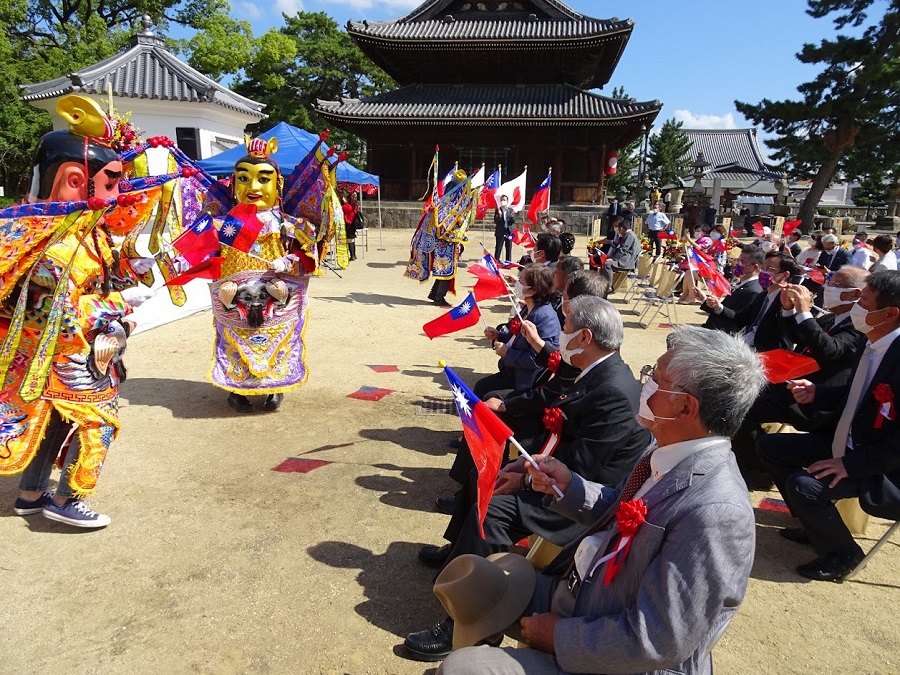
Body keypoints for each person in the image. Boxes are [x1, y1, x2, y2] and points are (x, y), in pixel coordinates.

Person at [432, 326, 767, 674]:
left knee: (459, 669)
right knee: (475, 584)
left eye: (656, 377)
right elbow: (619, 510)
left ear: (685, 407)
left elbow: (656, 641)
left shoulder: (716, 513)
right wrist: (567, 484)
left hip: (615, 655)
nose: (646, 383)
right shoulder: (667, 452)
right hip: (583, 594)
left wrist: (558, 635)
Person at [405, 297, 652, 661]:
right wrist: (523, 465)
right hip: (562, 472)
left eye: (565, 328)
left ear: (584, 338)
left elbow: (583, 466)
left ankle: (471, 623)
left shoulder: (614, 389)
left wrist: (523, 477)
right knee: (486, 478)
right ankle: (459, 561)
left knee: (493, 511)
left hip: (583, 498)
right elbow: (556, 415)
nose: (560, 335)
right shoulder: (590, 368)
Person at [1, 95, 155, 528]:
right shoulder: (53, 246)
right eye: (110, 184)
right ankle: (68, 497)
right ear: (73, 180)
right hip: (66, 357)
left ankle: (31, 493)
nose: (119, 196)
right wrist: (117, 303)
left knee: (53, 422)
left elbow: (106, 273)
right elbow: (58, 312)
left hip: (84, 352)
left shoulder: (83, 233)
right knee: (99, 424)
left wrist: (133, 268)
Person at [758, 270, 900, 581]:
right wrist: (817, 393)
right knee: (770, 447)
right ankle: (813, 524)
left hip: (879, 465)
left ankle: (843, 553)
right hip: (845, 440)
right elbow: (859, 394)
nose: (857, 307)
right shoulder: (873, 341)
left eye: (863, 301)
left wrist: (852, 465)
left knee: (804, 484)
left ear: (889, 313)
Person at [731, 266, 869, 488]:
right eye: (830, 281)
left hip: (818, 399)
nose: (828, 288)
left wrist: (805, 312)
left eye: (836, 285)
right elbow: (798, 337)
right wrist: (788, 310)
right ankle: (755, 465)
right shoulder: (830, 318)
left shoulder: (859, 325)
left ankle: (760, 469)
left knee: (745, 408)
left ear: (855, 294)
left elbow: (830, 350)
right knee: (739, 403)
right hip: (793, 386)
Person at [210, 136, 318, 413]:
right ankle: (236, 390)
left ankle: (275, 387)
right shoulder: (225, 223)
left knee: (278, 342)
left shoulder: (288, 224)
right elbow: (206, 255)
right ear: (234, 184)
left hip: (276, 297)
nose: (254, 187)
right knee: (236, 344)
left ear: (277, 184)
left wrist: (290, 260)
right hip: (235, 298)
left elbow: (309, 256)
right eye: (244, 179)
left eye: (263, 179)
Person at [473, 265, 560, 399]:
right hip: (512, 372)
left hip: (526, 380)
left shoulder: (545, 317)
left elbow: (539, 359)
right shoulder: (528, 308)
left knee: (487, 396)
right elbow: (515, 336)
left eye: (521, 281)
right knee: (480, 387)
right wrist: (498, 335)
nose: (517, 283)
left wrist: (508, 353)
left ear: (533, 289)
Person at [699, 250, 798, 353]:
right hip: (743, 344)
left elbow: (788, 336)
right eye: (763, 267)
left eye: (769, 269)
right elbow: (740, 319)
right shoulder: (763, 295)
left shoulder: (789, 301)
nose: (763, 272)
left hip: (763, 352)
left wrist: (788, 309)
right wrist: (718, 307)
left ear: (785, 275)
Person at [695, 245, 765, 334]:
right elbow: (723, 310)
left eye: (742, 262)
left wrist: (719, 307)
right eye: (738, 260)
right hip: (712, 329)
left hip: (722, 336)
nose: (737, 264)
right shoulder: (741, 284)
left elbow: (739, 319)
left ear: (755, 267)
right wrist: (704, 299)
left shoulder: (753, 290)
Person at [601, 218, 641, 287]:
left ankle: (608, 286)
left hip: (627, 261)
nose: (619, 232)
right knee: (606, 262)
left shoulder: (629, 235)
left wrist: (613, 259)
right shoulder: (629, 234)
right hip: (626, 259)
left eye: (619, 230)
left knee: (607, 264)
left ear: (621, 228)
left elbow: (623, 250)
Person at [493, 194, 515, 262]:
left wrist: (511, 217)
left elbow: (513, 221)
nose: (503, 201)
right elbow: (496, 221)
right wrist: (499, 215)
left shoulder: (510, 210)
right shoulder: (498, 210)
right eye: (502, 200)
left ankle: (508, 261)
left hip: (508, 231)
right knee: (498, 247)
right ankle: (496, 261)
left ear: (507, 201)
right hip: (500, 231)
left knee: (508, 247)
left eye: (504, 200)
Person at [341, 191, 362, 261]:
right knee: (352, 240)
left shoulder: (348, 206)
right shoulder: (355, 205)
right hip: (352, 224)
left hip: (349, 223)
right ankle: (354, 255)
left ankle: (352, 255)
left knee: (349, 240)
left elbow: (345, 209)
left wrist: (344, 202)